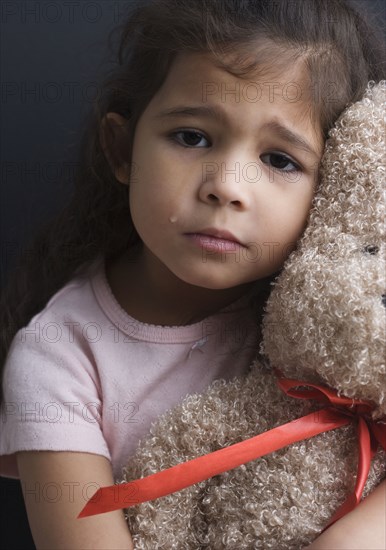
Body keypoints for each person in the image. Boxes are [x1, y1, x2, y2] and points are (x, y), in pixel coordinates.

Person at [0, 0, 385, 548]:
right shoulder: (59, 358)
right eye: (192, 137)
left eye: (280, 160)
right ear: (122, 150)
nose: (226, 185)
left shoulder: (338, 317)